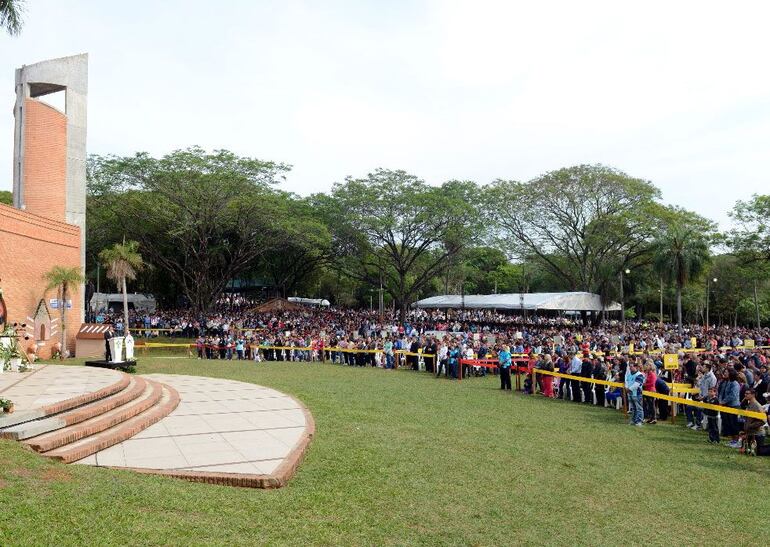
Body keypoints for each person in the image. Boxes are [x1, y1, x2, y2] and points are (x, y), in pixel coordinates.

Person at [719, 368, 742, 447]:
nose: (724, 373)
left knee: (734, 424)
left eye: (726, 372)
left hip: (734, 406)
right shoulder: (727, 382)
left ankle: (736, 441)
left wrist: (723, 401)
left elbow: (733, 395)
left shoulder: (735, 383)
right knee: (729, 423)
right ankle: (732, 440)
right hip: (727, 405)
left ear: (731, 373)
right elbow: (722, 392)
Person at [743, 389, 765, 455]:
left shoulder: (757, 406)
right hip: (750, 433)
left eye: (747, 393)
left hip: (757, 434)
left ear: (753, 395)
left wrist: (751, 426)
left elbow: (763, 420)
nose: (745, 395)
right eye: (745, 393)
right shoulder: (749, 404)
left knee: (759, 452)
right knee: (747, 451)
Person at [625, 361, 645, 426]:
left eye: (631, 366)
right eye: (629, 366)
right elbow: (627, 381)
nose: (630, 368)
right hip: (630, 393)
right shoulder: (629, 374)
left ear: (636, 367)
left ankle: (639, 421)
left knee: (639, 408)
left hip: (637, 394)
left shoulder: (639, 375)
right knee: (633, 408)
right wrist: (626, 387)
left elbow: (637, 384)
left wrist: (629, 389)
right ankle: (633, 420)